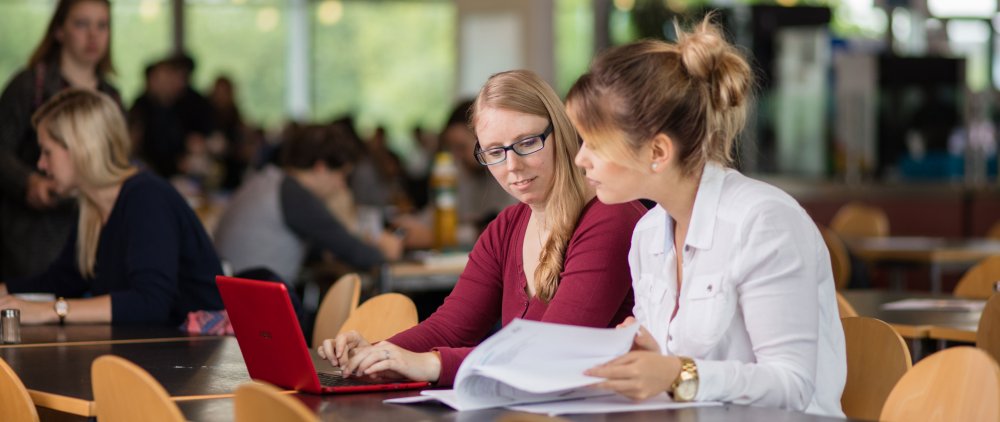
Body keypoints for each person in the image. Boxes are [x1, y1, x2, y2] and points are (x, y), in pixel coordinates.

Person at [567, 17, 846, 416]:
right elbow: (679, 368)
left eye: (595, 143)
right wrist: (651, 353)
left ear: (657, 153)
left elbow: (791, 385)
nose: (581, 159)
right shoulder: (647, 234)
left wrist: (675, 372)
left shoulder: (765, 222)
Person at [317, 70, 646, 387]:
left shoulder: (610, 218)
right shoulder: (505, 228)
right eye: (494, 151)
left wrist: (431, 363)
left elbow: (552, 352)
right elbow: (450, 328)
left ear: (561, 132)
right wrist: (377, 352)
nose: (512, 166)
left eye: (528, 142)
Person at [0, 89, 224, 325]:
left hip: (196, 352)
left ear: (81, 149)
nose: (41, 164)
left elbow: (150, 303)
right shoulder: (92, 205)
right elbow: (64, 280)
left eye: (47, 152)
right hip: (160, 348)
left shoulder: (147, 198)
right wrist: (5, 292)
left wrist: (49, 310)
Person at [0, 0, 120, 280]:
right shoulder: (30, 85)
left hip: (92, 231)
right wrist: (28, 181)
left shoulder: (111, 96)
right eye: (82, 24)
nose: (93, 35)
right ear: (59, 31)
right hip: (33, 237)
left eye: (102, 25)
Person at [213, 124, 404, 285]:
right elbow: (355, 252)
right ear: (320, 168)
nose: (342, 186)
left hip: (233, 299)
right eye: (342, 176)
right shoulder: (295, 195)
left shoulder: (268, 181)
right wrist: (382, 249)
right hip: (254, 310)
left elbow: (319, 246)